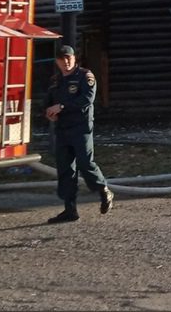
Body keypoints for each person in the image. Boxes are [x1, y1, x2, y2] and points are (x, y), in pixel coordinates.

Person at [44, 45, 113, 223]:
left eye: (69, 58)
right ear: (57, 61)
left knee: (85, 162)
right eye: (62, 59)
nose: (66, 62)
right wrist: (50, 113)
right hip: (62, 129)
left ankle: (104, 190)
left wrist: (61, 107)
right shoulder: (55, 80)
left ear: (75, 59)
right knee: (65, 169)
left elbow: (87, 99)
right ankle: (70, 209)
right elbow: (48, 103)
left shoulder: (85, 76)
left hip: (81, 128)